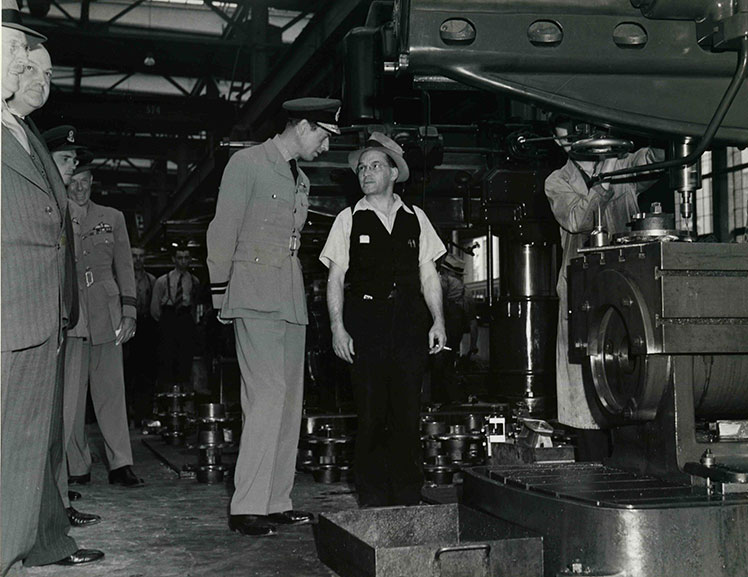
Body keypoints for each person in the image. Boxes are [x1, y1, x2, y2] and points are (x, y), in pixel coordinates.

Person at [207, 97, 340, 537]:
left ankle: (275, 500)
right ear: (303, 126)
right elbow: (223, 228)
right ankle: (247, 504)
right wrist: (219, 292)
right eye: (322, 135)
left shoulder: (299, 178)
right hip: (252, 293)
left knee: (289, 401)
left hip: (289, 297)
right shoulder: (247, 163)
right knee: (265, 396)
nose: (324, 147)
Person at [1, 1, 103, 571]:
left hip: (42, 308)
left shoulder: (25, 131)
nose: (33, 77)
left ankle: (40, 540)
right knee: (16, 442)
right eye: (23, 60)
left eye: (42, 71)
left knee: (36, 438)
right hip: (13, 303)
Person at [320, 132, 447, 507]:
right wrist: (337, 327)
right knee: (372, 414)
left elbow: (429, 275)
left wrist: (438, 321)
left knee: (408, 414)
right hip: (365, 324)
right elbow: (334, 278)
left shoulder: (416, 218)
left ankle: (408, 494)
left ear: (394, 173)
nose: (366, 173)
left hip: (409, 324)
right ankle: (373, 498)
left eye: (375, 166)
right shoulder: (348, 219)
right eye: (362, 168)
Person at [545, 116, 664, 460]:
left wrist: (663, 136)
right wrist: (603, 186)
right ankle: (594, 473)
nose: (572, 138)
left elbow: (648, 162)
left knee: (635, 386)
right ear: (556, 141)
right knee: (587, 393)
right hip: (583, 296)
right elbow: (576, 220)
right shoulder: (557, 181)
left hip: (632, 291)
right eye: (564, 135)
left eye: (578, 129)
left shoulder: (620, 164)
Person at [64, 163, 144, 488]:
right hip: (71, 314)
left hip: (107, 313)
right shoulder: (56, 214)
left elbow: (124, 265)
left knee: (112, 392)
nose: (80, 188)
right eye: (74, 182)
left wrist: (130, 311)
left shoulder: (112, 217)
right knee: (72, 396)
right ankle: (77, 466)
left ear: (93, 181)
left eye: (85, 182)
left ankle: (120, 464)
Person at [151, 245, 200, 391]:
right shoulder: (162, 281)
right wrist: (165, 323)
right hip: (168, 319)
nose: (183, 261)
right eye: (180, 258)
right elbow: (155, 309)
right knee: (166, 358)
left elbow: (195, 304)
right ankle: (166, 396)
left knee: (184, 359)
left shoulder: (194, 281)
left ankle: (182, 396)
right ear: (174, 259)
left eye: (186, 258)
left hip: (185, 320)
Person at [431, 253, 478, 404]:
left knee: (438, 367)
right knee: (449, 366)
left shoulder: (441, 284)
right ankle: (452, 401)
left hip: (441, 331)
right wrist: (472, 346)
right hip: (455, 337)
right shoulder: (466, 292)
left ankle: (438, 400)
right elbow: (472, 323)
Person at [125, 245, 157, 424]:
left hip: (145, 329)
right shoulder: (123, 279)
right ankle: (126, 414)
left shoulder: (151, 281)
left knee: (145, 374)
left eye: (141, 256)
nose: (138, 260)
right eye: (134, 256)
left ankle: (142, 415)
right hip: (127, 326)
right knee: (128, 374)